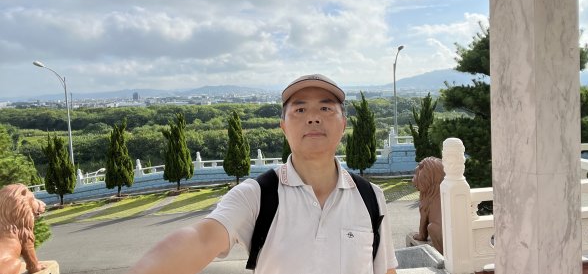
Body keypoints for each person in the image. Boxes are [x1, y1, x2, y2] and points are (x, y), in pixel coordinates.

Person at [127, 74, 398, 274]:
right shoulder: (257, 195)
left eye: (326, 108)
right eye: (300, 109)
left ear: (343, 124)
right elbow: (202, 238)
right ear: (283, 127)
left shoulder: (371, 197)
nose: (313, 117)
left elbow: (384, 269)